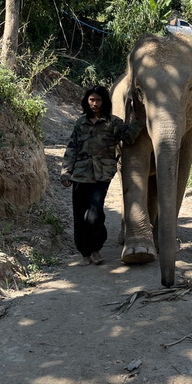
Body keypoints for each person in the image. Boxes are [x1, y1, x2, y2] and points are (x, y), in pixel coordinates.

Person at [60, 85, 141, 266]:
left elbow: (129, 137)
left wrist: (140, 119)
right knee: (80, 216)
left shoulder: (113, 123)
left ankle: (96, 249)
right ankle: (85, 254)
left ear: (104, 102)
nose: (94, 104)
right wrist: (66, 172)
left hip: (101, 176)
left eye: (98, 100)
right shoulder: (80, 123)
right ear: (86, 101)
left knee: (95, 214)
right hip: (80, 175)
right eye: (91, 100)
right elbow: (72, 148)